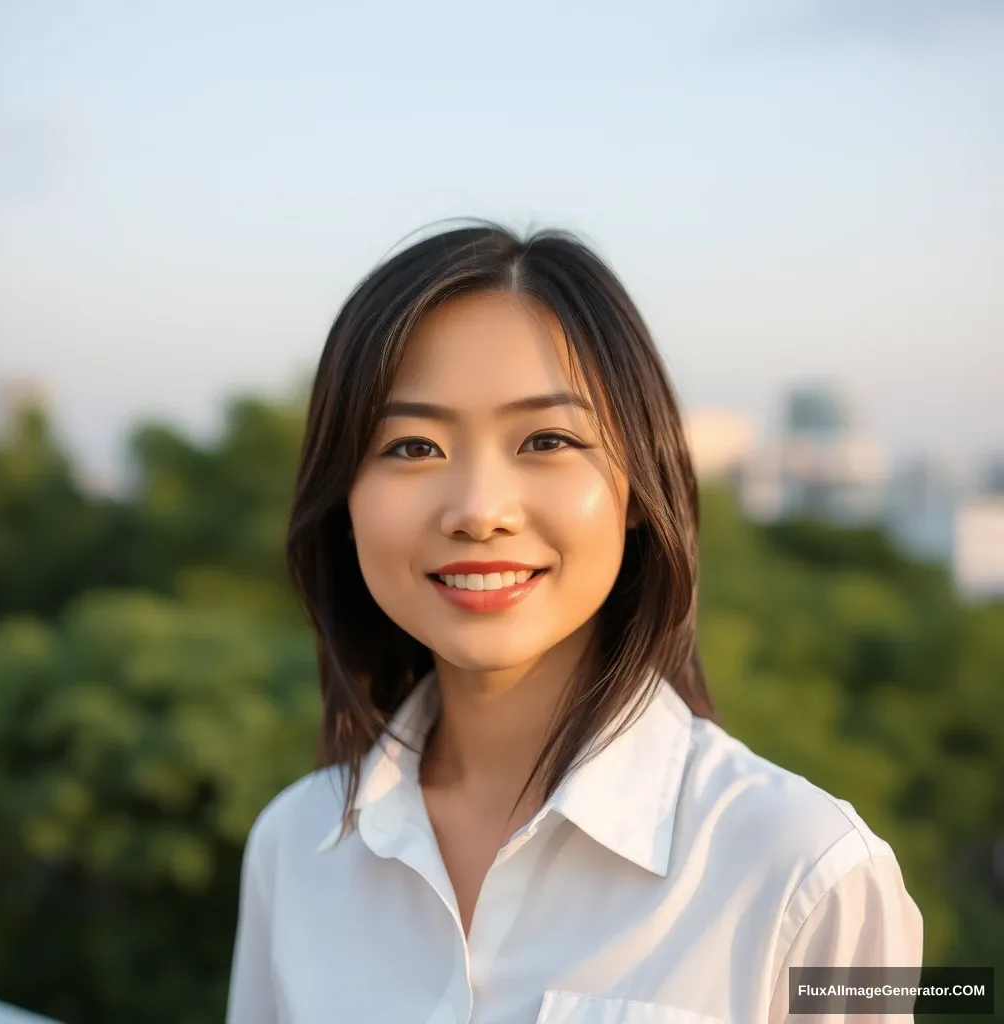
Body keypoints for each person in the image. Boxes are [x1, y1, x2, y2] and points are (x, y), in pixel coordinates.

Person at [225, 222, 923, 1024]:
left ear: (637, 489)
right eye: (413, 446)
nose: (480, 511)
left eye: (547, 439)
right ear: (344, 505)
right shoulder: (296, 849)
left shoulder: (811, 870)